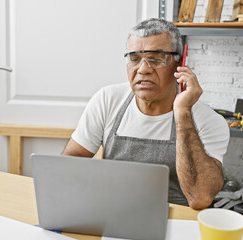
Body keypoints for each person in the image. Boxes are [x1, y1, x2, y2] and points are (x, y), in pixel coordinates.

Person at [62, 18, 229, 209]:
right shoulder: (107, 100)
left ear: (180, 64)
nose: (143, 69)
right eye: (134, 59)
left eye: (156, 59)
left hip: (176, 226)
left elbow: (200, 197)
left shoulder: (208, 121)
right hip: (114, 215)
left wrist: (182, 112)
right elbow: (71, 162)